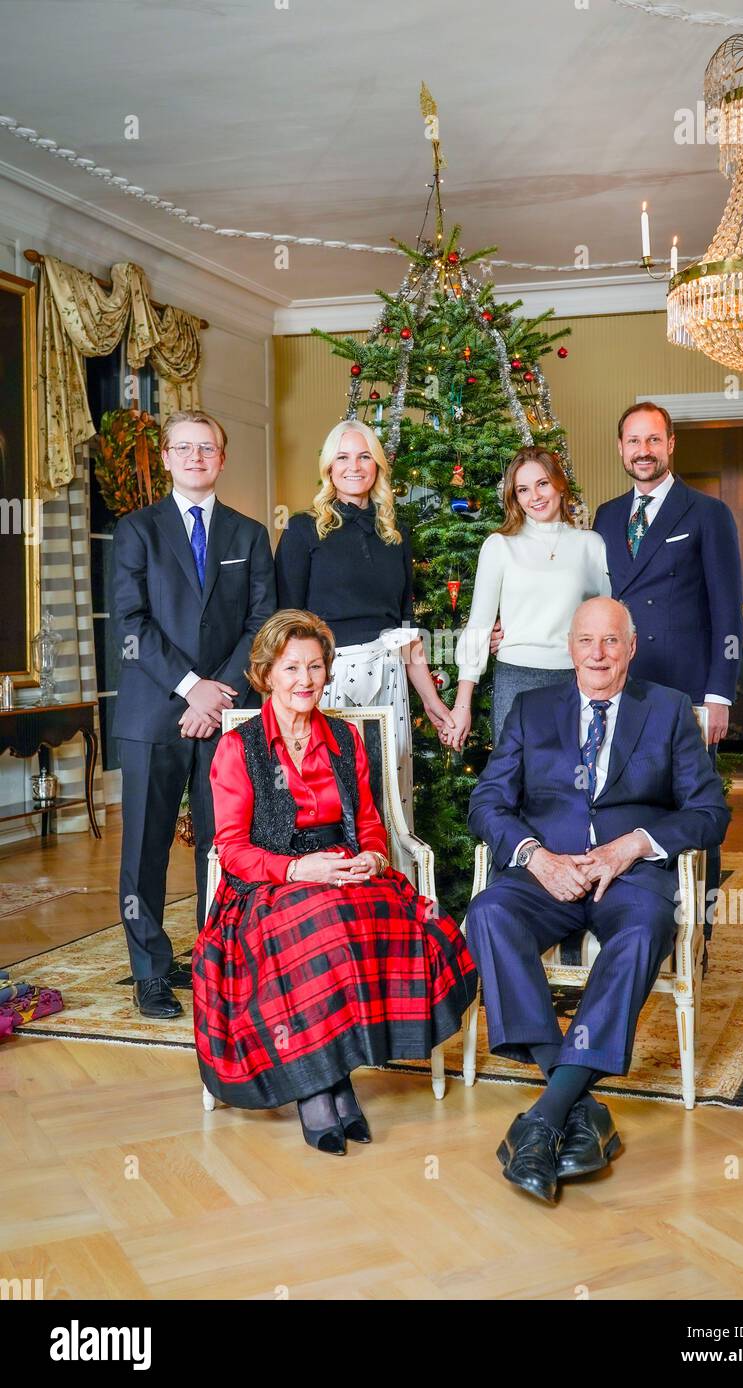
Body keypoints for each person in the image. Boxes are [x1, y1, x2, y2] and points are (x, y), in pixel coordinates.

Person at [466, 596, 729, 1204]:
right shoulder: (533, 711)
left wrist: (634, 844)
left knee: (642, 932)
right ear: (571, 648)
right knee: (489, 912)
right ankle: (577, 1106)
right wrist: (535, 856)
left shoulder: (665, 711)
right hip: (547, 873)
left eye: (611, 641)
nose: (599, 653)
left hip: (629, 876)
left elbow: (710, 812)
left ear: (631, 648)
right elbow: (488, 802)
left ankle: (545, 1119)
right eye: (587, 641)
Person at [192, 609, 478, 1154]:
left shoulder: (344, 739)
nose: (305, 680)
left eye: (315, 667)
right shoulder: (241, 747)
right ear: (267, 673)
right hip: (267, 882)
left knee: (382, 917)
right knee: (319, 924)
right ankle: (325, 1092)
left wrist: (370, 858)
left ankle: (327, 1081)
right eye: (292, 668)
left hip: (343, 867)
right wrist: (301, 869)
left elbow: (370, 824)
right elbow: (231, 849)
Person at [112, 409, 276, 1020]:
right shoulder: (138, 531)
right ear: (167, 458)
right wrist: (190, 688)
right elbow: (130, 627)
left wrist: (220, 693)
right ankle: (150, 970)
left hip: (229, 714)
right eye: (183, 448)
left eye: (206, 447)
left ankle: (217, 954)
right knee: (145, 848)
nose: (195, 457)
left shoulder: (250, 534)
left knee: (224, 841)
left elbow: (263, 622)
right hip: (155, 711)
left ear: (222, 457)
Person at [592, 402, 743, 946]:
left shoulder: (706, 513)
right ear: (620, 448)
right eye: (633, 441)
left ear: (671, 444)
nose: (643, 451)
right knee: (625, 798)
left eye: (653, 440)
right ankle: (634, 919)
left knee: (692, 804)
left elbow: (728, 611)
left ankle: (696, 932)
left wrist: (719, 694)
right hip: (620, 686)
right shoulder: (606, 517)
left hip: (685, 691)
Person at [274, 420, 456, 829]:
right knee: (329, 796)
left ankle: (389, 885)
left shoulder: (396, 533)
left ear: (377, 465)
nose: (353, 466)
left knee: (386, 792)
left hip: (389, 681)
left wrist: (431, 700)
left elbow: (406, 629)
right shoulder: (303, 529)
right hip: (325, 680)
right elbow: (286, 626)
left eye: (363, 456)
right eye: (342, 457)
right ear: (328, 467)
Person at [451, 446, 610, 748]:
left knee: (573, 781)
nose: (534, 497)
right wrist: (462, 704)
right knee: (515, 783)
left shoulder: (591, 545)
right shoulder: (499, 546)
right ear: (515, 497)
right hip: (515, 679)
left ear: (560, 485)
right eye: (523, 489)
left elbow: (608, 621)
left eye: (542, 484)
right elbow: (479, 626)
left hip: (574, 680)